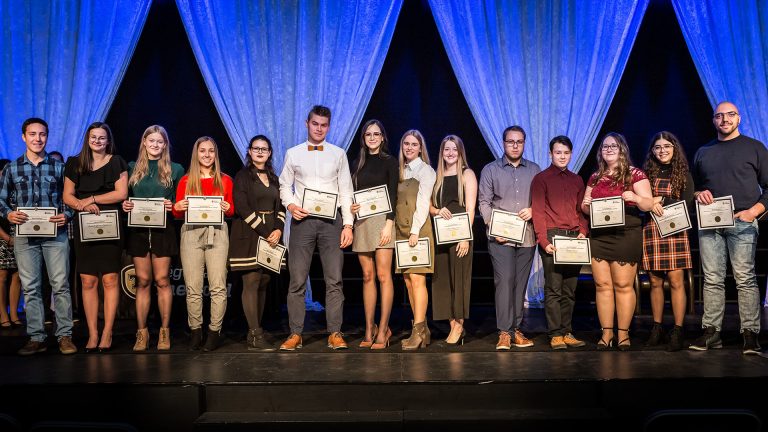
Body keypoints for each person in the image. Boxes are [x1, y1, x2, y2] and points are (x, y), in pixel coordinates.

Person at [689, 101, 768, 355]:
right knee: (712, 279)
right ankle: (712, 333)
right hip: (710, 223)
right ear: (713, 120)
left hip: (742, 221)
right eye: (719, 116)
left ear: (739, 118)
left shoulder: (755, 148)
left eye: (730, 115)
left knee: (745, 279)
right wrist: (699, 193)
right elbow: (695, 188)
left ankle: (750, 334)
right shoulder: (703, 151)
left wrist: (753, 212)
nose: (724, 119)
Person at [278, 105, 354, 351]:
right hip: (302, 222)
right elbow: (283, 185)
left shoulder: (338, 154)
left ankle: (335, 333)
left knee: (335, 279)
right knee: (297, 280)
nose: (319, 128)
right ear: (307, 123)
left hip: (333, 223)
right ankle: (295, 333)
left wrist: (349, 225)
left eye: (324, 125)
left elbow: (346, 190)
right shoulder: (293, 153)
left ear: (328, 127)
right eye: (315, 124)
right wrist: (290, 205)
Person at [0, 118, 76, 355]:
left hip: (56, 234)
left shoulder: (59, 167)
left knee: (60, 286)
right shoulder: (12, 168)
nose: (37, 138)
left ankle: (64, 335)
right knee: (31, 287)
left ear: (47, 137)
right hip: (24, 236)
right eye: (32, 134)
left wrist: (67, 215)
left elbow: (72, 198)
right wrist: (9, 213)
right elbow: (1, 200)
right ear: (24, 137)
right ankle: (36, 337)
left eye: (42, 134)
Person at [581, 133, 654, 351]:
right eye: (605, 146)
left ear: (622, 149)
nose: (609, 149)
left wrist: (636, 198)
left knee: (623, 285)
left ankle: (623, 334)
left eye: (614, 146)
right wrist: (586, 205)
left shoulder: (635, 174)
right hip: (600, 235)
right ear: (600, 151)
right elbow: (586, 208)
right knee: (602, 286)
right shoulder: (595, 177)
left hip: (626, 234)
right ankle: (606, 333)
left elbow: (649, 205)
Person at [63, 121, 128, 352]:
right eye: (94, 137)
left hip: (111, 227)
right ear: (87, 139)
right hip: (85, 226)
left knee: (110, 280)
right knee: (87, 281)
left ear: (108, 140)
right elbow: (67, 196)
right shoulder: (74, 163)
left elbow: (121, 194)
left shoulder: (117, 162)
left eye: (102, 138)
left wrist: (91, 199)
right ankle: (92, 333)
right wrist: (80, 205)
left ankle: (107, 333)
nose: (98, 141)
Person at [478, 126, 541, 350]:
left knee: (519, 284)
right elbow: (484, 203)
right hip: (500, 238)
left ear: (524, 143)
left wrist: (534, 210)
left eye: (519, 142)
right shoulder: (490, 170)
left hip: (526, 237)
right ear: (503, 143)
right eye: (510, 141)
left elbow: (541, 201)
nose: (515, 145)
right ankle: (504, 332)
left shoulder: (535, 170)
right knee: (504, 282)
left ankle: (516, 330)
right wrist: (494, 228)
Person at [122, 125, 184, 351]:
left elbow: (179, 204)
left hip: (163, 230)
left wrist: (173, 205)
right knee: (143, 281)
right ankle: (142, 333)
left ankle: (164, 333)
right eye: (152, 141)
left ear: (165, 144)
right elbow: (125, 198)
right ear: (144, 142)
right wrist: (125, 204)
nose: (155, 145)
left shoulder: (175, 169)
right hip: (138, 230)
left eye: (160, 141)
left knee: (163, 280)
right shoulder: (131, 167)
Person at [172, 136, 234, 352]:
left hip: (217, 233)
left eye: (211, 151)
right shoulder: (186, 180)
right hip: (191, 233)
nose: (207, 155)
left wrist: (227, 208)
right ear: (196, 154)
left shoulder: (225, 179)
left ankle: (214, 331)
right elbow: (177, 212)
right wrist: (177, 205)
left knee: (218, 286)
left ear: (216, 154)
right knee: (193, 288)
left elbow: (232, 210)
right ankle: (195, 331)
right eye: (202, 151)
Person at [530, 135, 589, 350]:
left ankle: (567, 331)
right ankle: (555, 334)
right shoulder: (541, 179)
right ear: (550, 154)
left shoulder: (577, 180)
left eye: (566, 153)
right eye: (558, 152)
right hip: (553, 237)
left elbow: (581, 211)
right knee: (553, 288)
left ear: (571, 154)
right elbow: (537, 212)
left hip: (574, 238)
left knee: (569, 290)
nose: (562, 156)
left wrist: (583, 231)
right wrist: (543, 241)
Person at [228, 135, 285, 351]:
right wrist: (266, 231)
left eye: (264, 149)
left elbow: (281, 207)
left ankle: (256, 329)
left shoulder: (274, 178)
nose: (260, 152)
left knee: (263, 282)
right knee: (251, 282)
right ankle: (254, 333)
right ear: (250, 151)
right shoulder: (242, 176)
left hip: (272, 235)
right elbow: (242, 207)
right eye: (256, 148)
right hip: (249, 235)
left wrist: (278, 229)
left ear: (269, 153)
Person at [641, 131, 694, 351]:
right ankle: (657, 327)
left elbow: (687, 203)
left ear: (675, 148)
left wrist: (662, 199)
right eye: (658, 147)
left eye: (667, 146)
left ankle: (678, 329)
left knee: (676, 281)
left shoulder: (683, 173)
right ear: (652, 151)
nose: (662, 151)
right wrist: (648, 201)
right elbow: (641, 201)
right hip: (652, 230)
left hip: (675, 231)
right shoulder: (646, 174)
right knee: (654, 282)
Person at [349, 120, 398, 349]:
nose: (372, 137)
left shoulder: (390, 162)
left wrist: (389, 223)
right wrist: (351, 207)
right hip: (362, 223)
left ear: (382, 137)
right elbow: (350, 194)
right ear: (363, 137)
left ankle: (384, 329)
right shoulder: (356, 163)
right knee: (367, 276)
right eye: (368, 134)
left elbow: (394, 194)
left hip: (383, 222)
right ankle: (369, 329)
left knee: (383, 276)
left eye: (376, 134)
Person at [429, 135, 477, 346]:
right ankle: (453, 325)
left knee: (459, 279)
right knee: (442, 281)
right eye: (446, 149)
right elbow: (429, 207)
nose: (450, 153)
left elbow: (471, 208)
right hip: (440, 235)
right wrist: (438, 210)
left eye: (454, 149)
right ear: (442, 152)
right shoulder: (436, 176)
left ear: (460, 152)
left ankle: (459, 324)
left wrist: (465, 237)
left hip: (460, 236)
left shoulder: (467, 174)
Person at [395, 130, 436, 350]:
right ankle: (423, 330)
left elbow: (422, 203)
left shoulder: (425, 170)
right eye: (406, 144)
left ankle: (418, 332)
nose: (409, 147)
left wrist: (414, 231)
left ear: (421, 148)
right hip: (402, 230)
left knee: (418, 281)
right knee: (408, 282)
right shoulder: (401, 170)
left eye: (414, 144)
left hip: (418, 230)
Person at [0, 159, 22, 330]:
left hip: (20, 237)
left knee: (17, 276)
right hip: (3, 238)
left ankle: (14, 313)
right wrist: (7, 238)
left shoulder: (17, 191)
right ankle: (3, 314)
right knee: (2, 277)